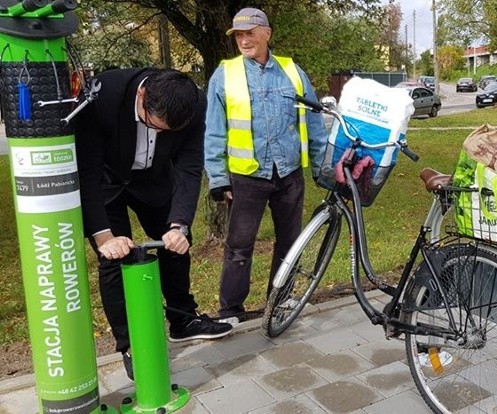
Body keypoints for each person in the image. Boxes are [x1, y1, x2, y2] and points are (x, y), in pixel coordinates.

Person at [75, 68, 233, 380]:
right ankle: (131, 344)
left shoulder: (194, 103)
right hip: (106, 182)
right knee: (114, 259)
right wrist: (103, 236)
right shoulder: (104, 95)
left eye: (167, 132)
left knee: (175, 245)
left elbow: (189, 167)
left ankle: (183, 321)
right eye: (154, 127)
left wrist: (180, 225)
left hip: (154, 181)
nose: (159, 135)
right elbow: (87, 170)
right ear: (142, 97)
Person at [204, 8, 327, 322]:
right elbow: (214, 131)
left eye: (250, 33)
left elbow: (313, 123)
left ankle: (282, 301)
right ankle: (230, 310)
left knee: (290, 242)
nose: (244, 40)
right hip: (247, 178)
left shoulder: (292, 71)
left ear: (267, 34)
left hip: (288, 174)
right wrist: (219, 179)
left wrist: (321, 167)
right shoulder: (225, 74)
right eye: (239, 36)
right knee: (239, 246)